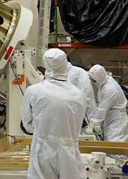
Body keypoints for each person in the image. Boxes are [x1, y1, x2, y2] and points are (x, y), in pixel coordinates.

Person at [21, 48, 87, 179]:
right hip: (69, 150)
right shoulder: (79, 95)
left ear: (46, 65)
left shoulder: (33, 91)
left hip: (43, 149)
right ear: (65, 64)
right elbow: (80, 125)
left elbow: (27, 123)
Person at [88, 64, 128, 141]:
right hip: (111, 118)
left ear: (99, 77)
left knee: (115, 149)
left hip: (117, 121)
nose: (94, 83)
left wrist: (92, 124)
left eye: (94, 80)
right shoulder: (104, 83)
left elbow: (102, 109)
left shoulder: (110, 88)